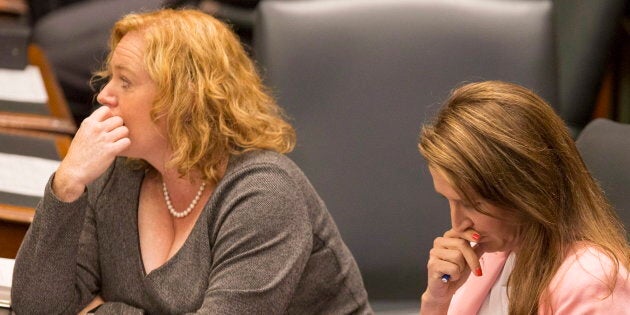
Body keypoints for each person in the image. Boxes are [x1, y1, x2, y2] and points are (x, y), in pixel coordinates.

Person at [11, 9, 372, 314]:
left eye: (125, 81)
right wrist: (67, 184)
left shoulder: (265, 195)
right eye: (110, 78)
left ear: (183, 99)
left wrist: (113, 310)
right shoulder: (117, 172)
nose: (104, 95)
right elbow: (36, 308)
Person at [417, 81, 630, 314]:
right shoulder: (487, 257)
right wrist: (436, 302)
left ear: (525, 189)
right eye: (449, 200)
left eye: (473, 204)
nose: (457, 224)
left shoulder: (594, 281)